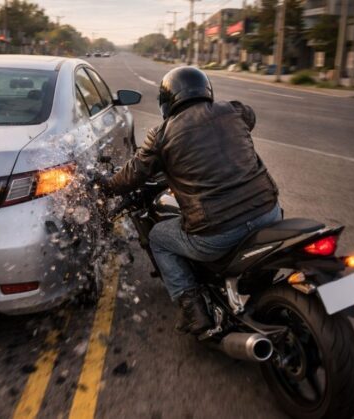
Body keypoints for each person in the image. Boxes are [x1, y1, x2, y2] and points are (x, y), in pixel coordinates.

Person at [103, 67, 281, 335]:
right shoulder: (233, 111)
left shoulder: (162, 135)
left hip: (219, 232)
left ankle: (194, 310)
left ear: (168, 101)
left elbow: (134, 174)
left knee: (159, 238)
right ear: (206, 90)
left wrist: (106, 187)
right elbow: (249, 117)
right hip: (270, 213)